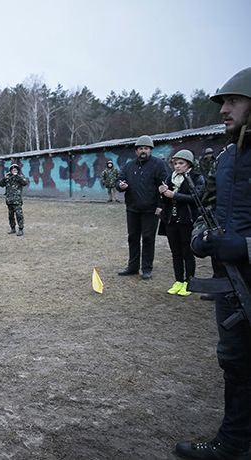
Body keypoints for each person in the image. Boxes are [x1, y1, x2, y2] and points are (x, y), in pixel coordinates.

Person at [175, 66, 251, 460]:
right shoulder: (225, 159)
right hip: (230, 285)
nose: (224, 108)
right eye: (222, 101)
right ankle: (234, 442)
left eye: (234, 101)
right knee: (235, 362)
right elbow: (208, 210)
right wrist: (199, 241)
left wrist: (246, 246)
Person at [115, 135, 169, 280]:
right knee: (133, 237)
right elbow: (119, 180)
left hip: (151, 209)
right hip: (132, 208)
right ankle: (132, 267)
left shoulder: (159, 165)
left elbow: (164, 185)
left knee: (148, 238)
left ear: (150, 150)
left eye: (146, 148)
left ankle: (146, 268)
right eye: (140, 149)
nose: (143, 151)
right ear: (136, 150)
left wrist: (160, 205)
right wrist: (120, 185)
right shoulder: (128, 165)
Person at [157, 150, 205, 296]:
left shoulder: (197, 177)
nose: (177, 166)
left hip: (187, 220)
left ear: (188, 164)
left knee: (187, 252)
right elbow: (164, 200)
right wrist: (161, 191)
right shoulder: (169, 178)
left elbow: (197, 197)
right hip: (171, 220)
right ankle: (178, 281)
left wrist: (174, 195)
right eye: (175, 163)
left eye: (181, 163)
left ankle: (189, 282)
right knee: (175, 252)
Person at [0, 163, 30, 235]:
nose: (14, 171)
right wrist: (4, 178)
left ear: (18, 170)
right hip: (9, 200)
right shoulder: (8, 178)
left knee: (19, 215)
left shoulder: (20, 177)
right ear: (11, 171)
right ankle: (12, 228)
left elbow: (25, 183)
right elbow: (1, 184)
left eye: (15, 169)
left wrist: (18, 176)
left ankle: (21, 229)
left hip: (17, 200)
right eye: (13, 170)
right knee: (11, 216)